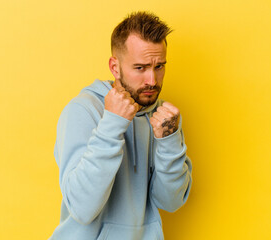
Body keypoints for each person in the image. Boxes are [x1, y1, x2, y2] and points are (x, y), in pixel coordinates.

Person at [49, 11, 192, 240]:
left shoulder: (164, 118)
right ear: (115, 67)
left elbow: (171, 202)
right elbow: (82, 209)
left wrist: (169, 142)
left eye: (159, 66)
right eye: (140, 68)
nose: (152, 81)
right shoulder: (83, 110)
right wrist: (113, 124)